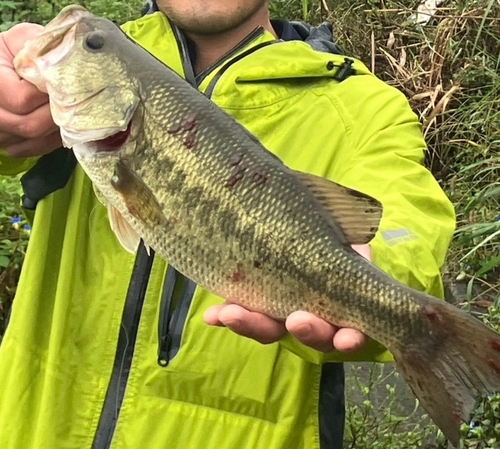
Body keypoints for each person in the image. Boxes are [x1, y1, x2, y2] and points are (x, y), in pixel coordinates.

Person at [0, 0, 455, 448]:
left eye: (94, 45)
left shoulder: (366, 108)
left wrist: (381, 278)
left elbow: (406, 226)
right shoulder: (70, 77)